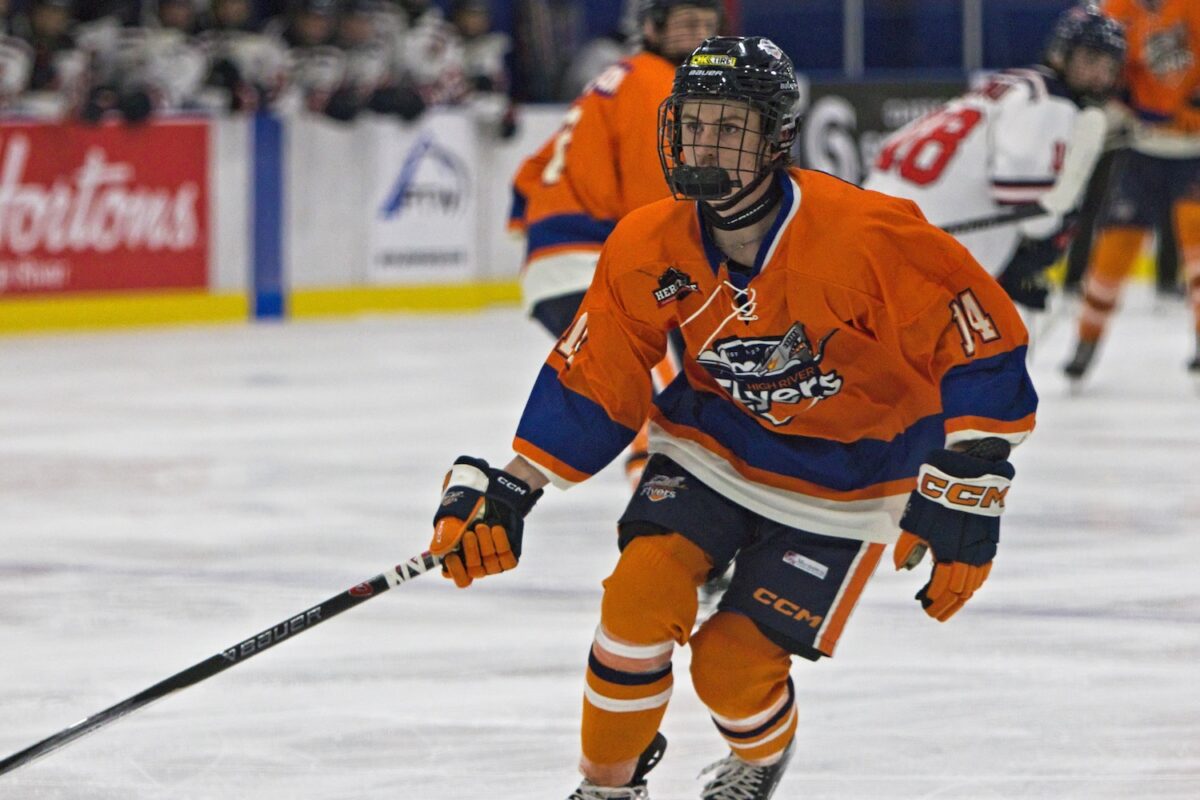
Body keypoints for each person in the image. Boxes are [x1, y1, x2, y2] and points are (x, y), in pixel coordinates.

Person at [427, 37, 1038, 800]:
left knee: (731, 665)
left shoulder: (866, 234)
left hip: (854, 475)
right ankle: (608, 787)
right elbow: (597, 375)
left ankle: (758, 756)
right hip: (712, 446)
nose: (704, 142)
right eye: (693, 123)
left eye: (730, 126)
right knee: (637, 599)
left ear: (778, 137)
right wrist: (512, 486)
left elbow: (982, 341)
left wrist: (975, 468)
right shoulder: (647, 242)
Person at [510, 0, 721, 485]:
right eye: (687, 26)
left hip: (556, 266)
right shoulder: (658, 84)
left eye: (708, 27)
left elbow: (527, 178)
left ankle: (668, 498)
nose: (699, 38)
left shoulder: (616, 79)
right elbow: (658, 201)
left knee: (643, 383)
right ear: (651, 29)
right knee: (673, 387)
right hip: (591, 260)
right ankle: (671, 506)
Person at [863, 4, 1127, 321]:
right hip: (919, 258)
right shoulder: (1055, 104)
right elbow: (1022, 199)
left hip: (871, 222)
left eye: (1109, 66)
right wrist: (1047, 238)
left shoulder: (1010, 83)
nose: (1101, 74)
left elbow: (889, 150)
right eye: (1091, 59)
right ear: (1061, 53)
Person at [1062, 0, 1200, 380]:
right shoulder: (1116, 8)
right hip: (1142, 150)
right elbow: (1106, 68)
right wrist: (1119, 103)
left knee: (1198, 249)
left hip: (1194, 151)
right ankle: (1086, 341)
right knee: (1111, 253)